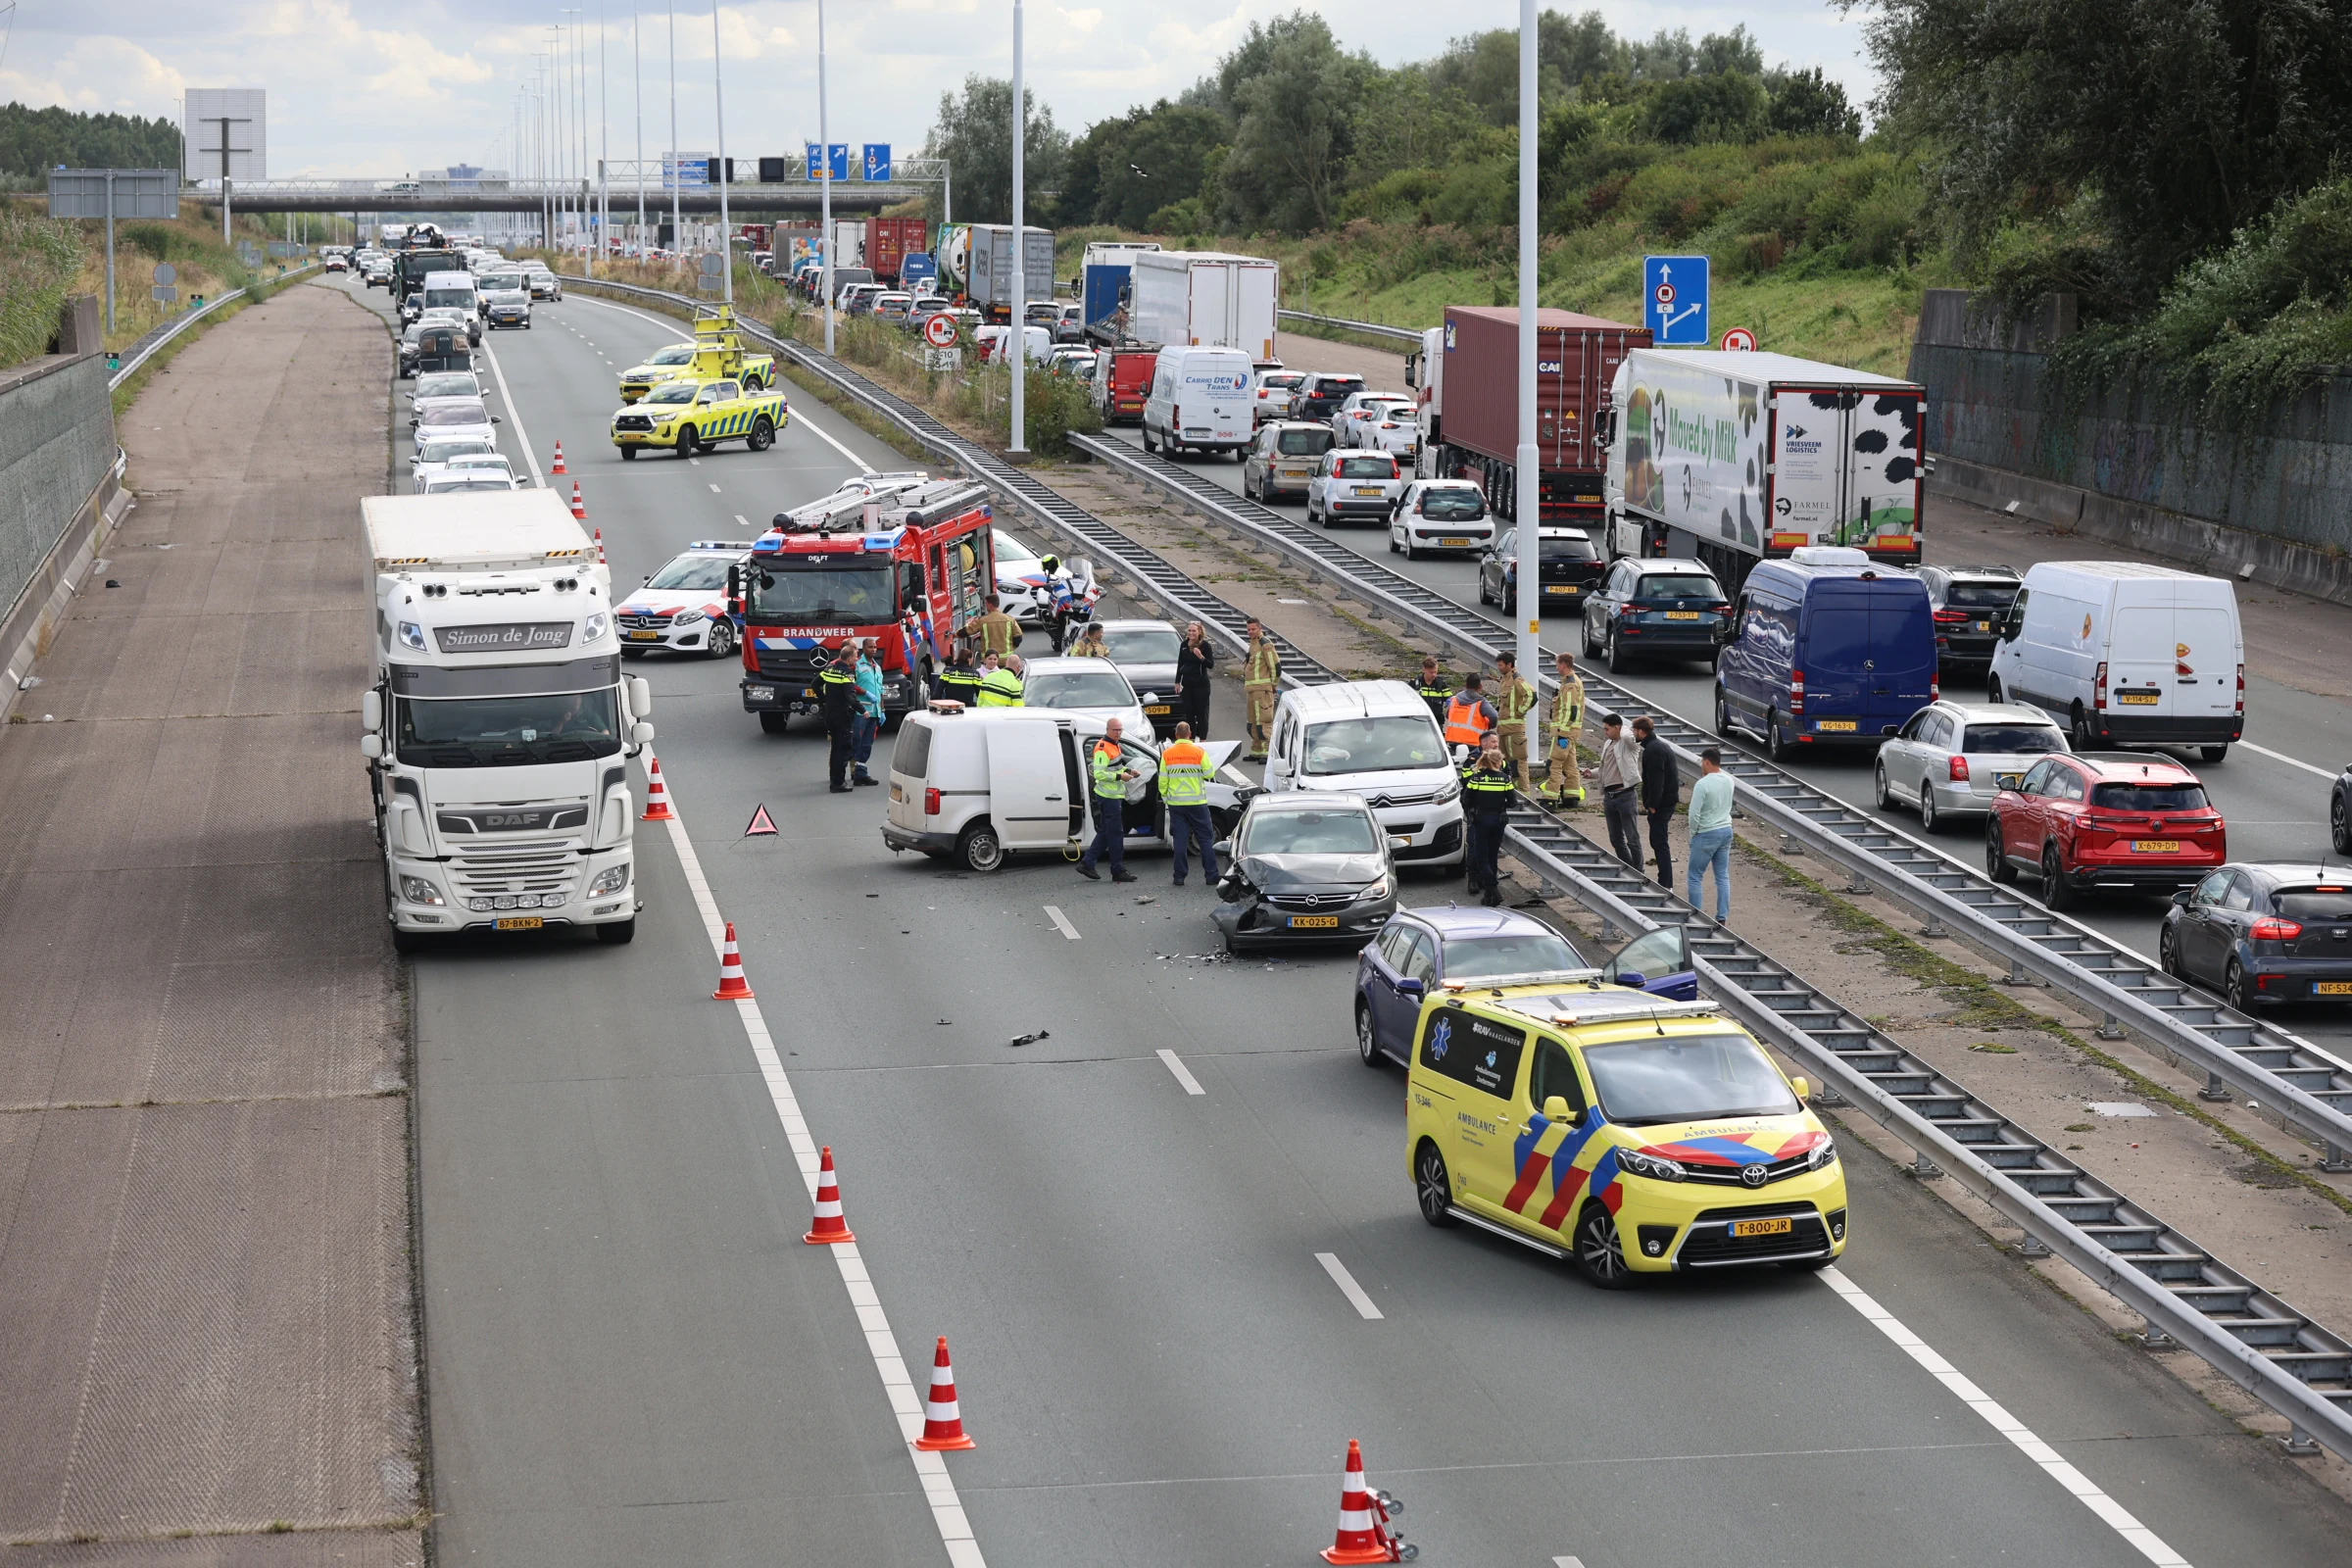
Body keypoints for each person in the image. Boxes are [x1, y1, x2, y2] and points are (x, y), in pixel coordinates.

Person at [1076, 717, 1139, 883]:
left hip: (1112, 795)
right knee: (1116, 833)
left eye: (1120, 730)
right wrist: (1120, 776)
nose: (1118, 733)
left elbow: (1115, 767)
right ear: (1108, 730)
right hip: (1109, 796)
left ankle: (1087, 863)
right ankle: (1117, 870)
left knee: (1106, 831)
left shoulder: (1114, 745)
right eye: (1115, 730)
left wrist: (1129, 771)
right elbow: (1099, 774)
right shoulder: (1103, 749)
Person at [1159, 721, 1218, 887]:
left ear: (1176, 735)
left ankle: (1179, 876)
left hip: (1176, 804)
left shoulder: (1167, 754)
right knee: (1206, 839)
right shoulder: (1199, 752)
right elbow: (1209, 774)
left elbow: (1163, 780)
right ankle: (1211, 875)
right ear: (1190, 734)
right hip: (1197, 803)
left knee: (1180, 839)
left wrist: (1166, 798)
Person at [1460, 737, 1516, 906]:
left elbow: (1465, 799)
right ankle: (1489, 895)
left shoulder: (1477, 778)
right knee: (1492, 856)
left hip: (1481, 819)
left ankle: (1493, 889)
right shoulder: (1505, 779)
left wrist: (1473, 810)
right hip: (1499, 821)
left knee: (1480, 856)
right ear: (1498, 763)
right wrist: (1500, 806)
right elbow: (1513, 802)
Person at [1686, 746, 1735, 922]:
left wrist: (1694, 833)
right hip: (1726, 830)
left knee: (1695, 876)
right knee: (1722, 876)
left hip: (1706, 832)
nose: (1701, 766)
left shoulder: (1703, 784)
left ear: (1707, 761)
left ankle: (1696, 917)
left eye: (1702, 762)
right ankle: (1722, 916)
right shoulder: (1729, 780)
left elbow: (1694, 813)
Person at [1596, 712, 1643, 870]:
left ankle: (1639, 871)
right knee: (1616, 839)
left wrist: (1623, 727)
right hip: (1609, 797)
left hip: (1625, 795)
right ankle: (1630, 869)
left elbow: (1632, 739)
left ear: (1617, 728)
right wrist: (1592, 772)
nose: (1605, 732)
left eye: (1607, 729)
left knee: (1632, 838)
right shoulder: (1608, 743)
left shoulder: (1629, 743)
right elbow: (1607, 767)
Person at [1636, 714, 1679, 889]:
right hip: (1667, 801)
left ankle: (1666, 883)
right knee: (1658, 841)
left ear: (1641, 731)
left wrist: (1652, 804)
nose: (1633, 733)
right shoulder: (1659, 746)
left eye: (1634, 730)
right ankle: (1665, 881)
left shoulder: (1653, 750)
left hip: (1661, 804)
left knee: (1659, 842)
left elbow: (1656, 781)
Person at [1542, 651, 1588, 807]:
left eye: (1557, 665)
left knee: (1554, 764)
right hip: (1569, 733)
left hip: (1564, 733)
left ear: (1563, 665)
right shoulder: (1571, 682)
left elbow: (1570, 711)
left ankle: (1550, 799)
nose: (1557, 668)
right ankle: (1571, 798)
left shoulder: (1570, 684)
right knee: (1570, 765)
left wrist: (1562, 733)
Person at [1492, 651, 1540, 791]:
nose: (1498, 667)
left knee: (1518, 764)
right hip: (1504, 729)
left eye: (1500, 665)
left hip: (1514, 729)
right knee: (1504, 763)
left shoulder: (1516, 679)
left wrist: (1520, 711)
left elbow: (1532, 696)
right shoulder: (1505, 679)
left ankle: (1524, 794)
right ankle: (1510, 793)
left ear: (1509, 664)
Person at [819, 657, 859, 793]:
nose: (857, 658)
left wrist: (825, 699)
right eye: (855, 656)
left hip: (830, 714)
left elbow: (814, 683)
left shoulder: (830, 669)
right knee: (843, 750)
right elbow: (850, 696)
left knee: (836, 749)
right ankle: (838, 784)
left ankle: (834, 780)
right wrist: (863, 710)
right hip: (843, 716)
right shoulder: (847, 673)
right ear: (849, 658)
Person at [1244, 618, 1280, 760]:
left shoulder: (1265, 644)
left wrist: (1273, 685)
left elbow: (1276, 666)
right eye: (1248, 629)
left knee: (1263, 723)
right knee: (1252, 723)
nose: (1251, 632)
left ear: (1260, 628)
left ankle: (1268, 753)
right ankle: (1257, 751)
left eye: (1253, 629)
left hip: (1262, 691)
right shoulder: (1253, 644)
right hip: (1251, 690)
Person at [850, 640, 884, 785]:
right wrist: (866, 693)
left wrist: (882, 710)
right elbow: (850, 685)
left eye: (875, 647)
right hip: (861, 712)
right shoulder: (857, 665)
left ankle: (860, 774)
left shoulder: (877, 667)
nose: (874, 649)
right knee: (856, 742)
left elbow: (881, 691)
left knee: (867, 745)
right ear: (863, 648)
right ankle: (843, 773)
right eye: (870, 647)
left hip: (874, 712)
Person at [1175, 621, 1216, 740]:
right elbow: (1180, 664)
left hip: (1201, 685)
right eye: (1190, 631)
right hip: (1187, 684)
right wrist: (1177, 682)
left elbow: (1210, 665)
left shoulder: (1205, 646)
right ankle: (1191, 739)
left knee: (1201, 713)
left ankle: (1202, 739)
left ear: (1199, 632)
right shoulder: (1183, 644)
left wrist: (1201, 657)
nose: (1191, 633)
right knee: (1189, 713)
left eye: (1194, 631)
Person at [1442, 671, 1497, 754]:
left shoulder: (1456, 698)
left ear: (1466, 685)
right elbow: (1494, 716)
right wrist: (1489, 725)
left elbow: (1447, 715)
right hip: (1472, 743)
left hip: (1451, 740)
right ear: (1480, 686)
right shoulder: (1481, 702)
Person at [973, 593, 1022, 660]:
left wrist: (956, 634)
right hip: (1006, 659)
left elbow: (969, 630)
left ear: (990, 605)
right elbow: (1018, 638)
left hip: (989, 660)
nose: (986, 606)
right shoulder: (1010, 619)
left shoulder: (983, 620)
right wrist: (1011, 648)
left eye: (986, 604)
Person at [934, 639, 983, 707]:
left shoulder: (948, 671)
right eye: (972, 659)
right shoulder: (975, 674)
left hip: (950, 708)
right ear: (969, 659)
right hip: (968, 709)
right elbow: (980, 695)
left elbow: (937, 693)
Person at [1413, 657, 1452, 726]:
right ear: (1424, 670)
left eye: (1435, 672)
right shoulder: (1415, 684)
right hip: (1419, 722)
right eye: (1431, 672)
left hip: (1436, 722)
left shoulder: (1442, 684)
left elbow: (1450, 701)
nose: (1434, 675)